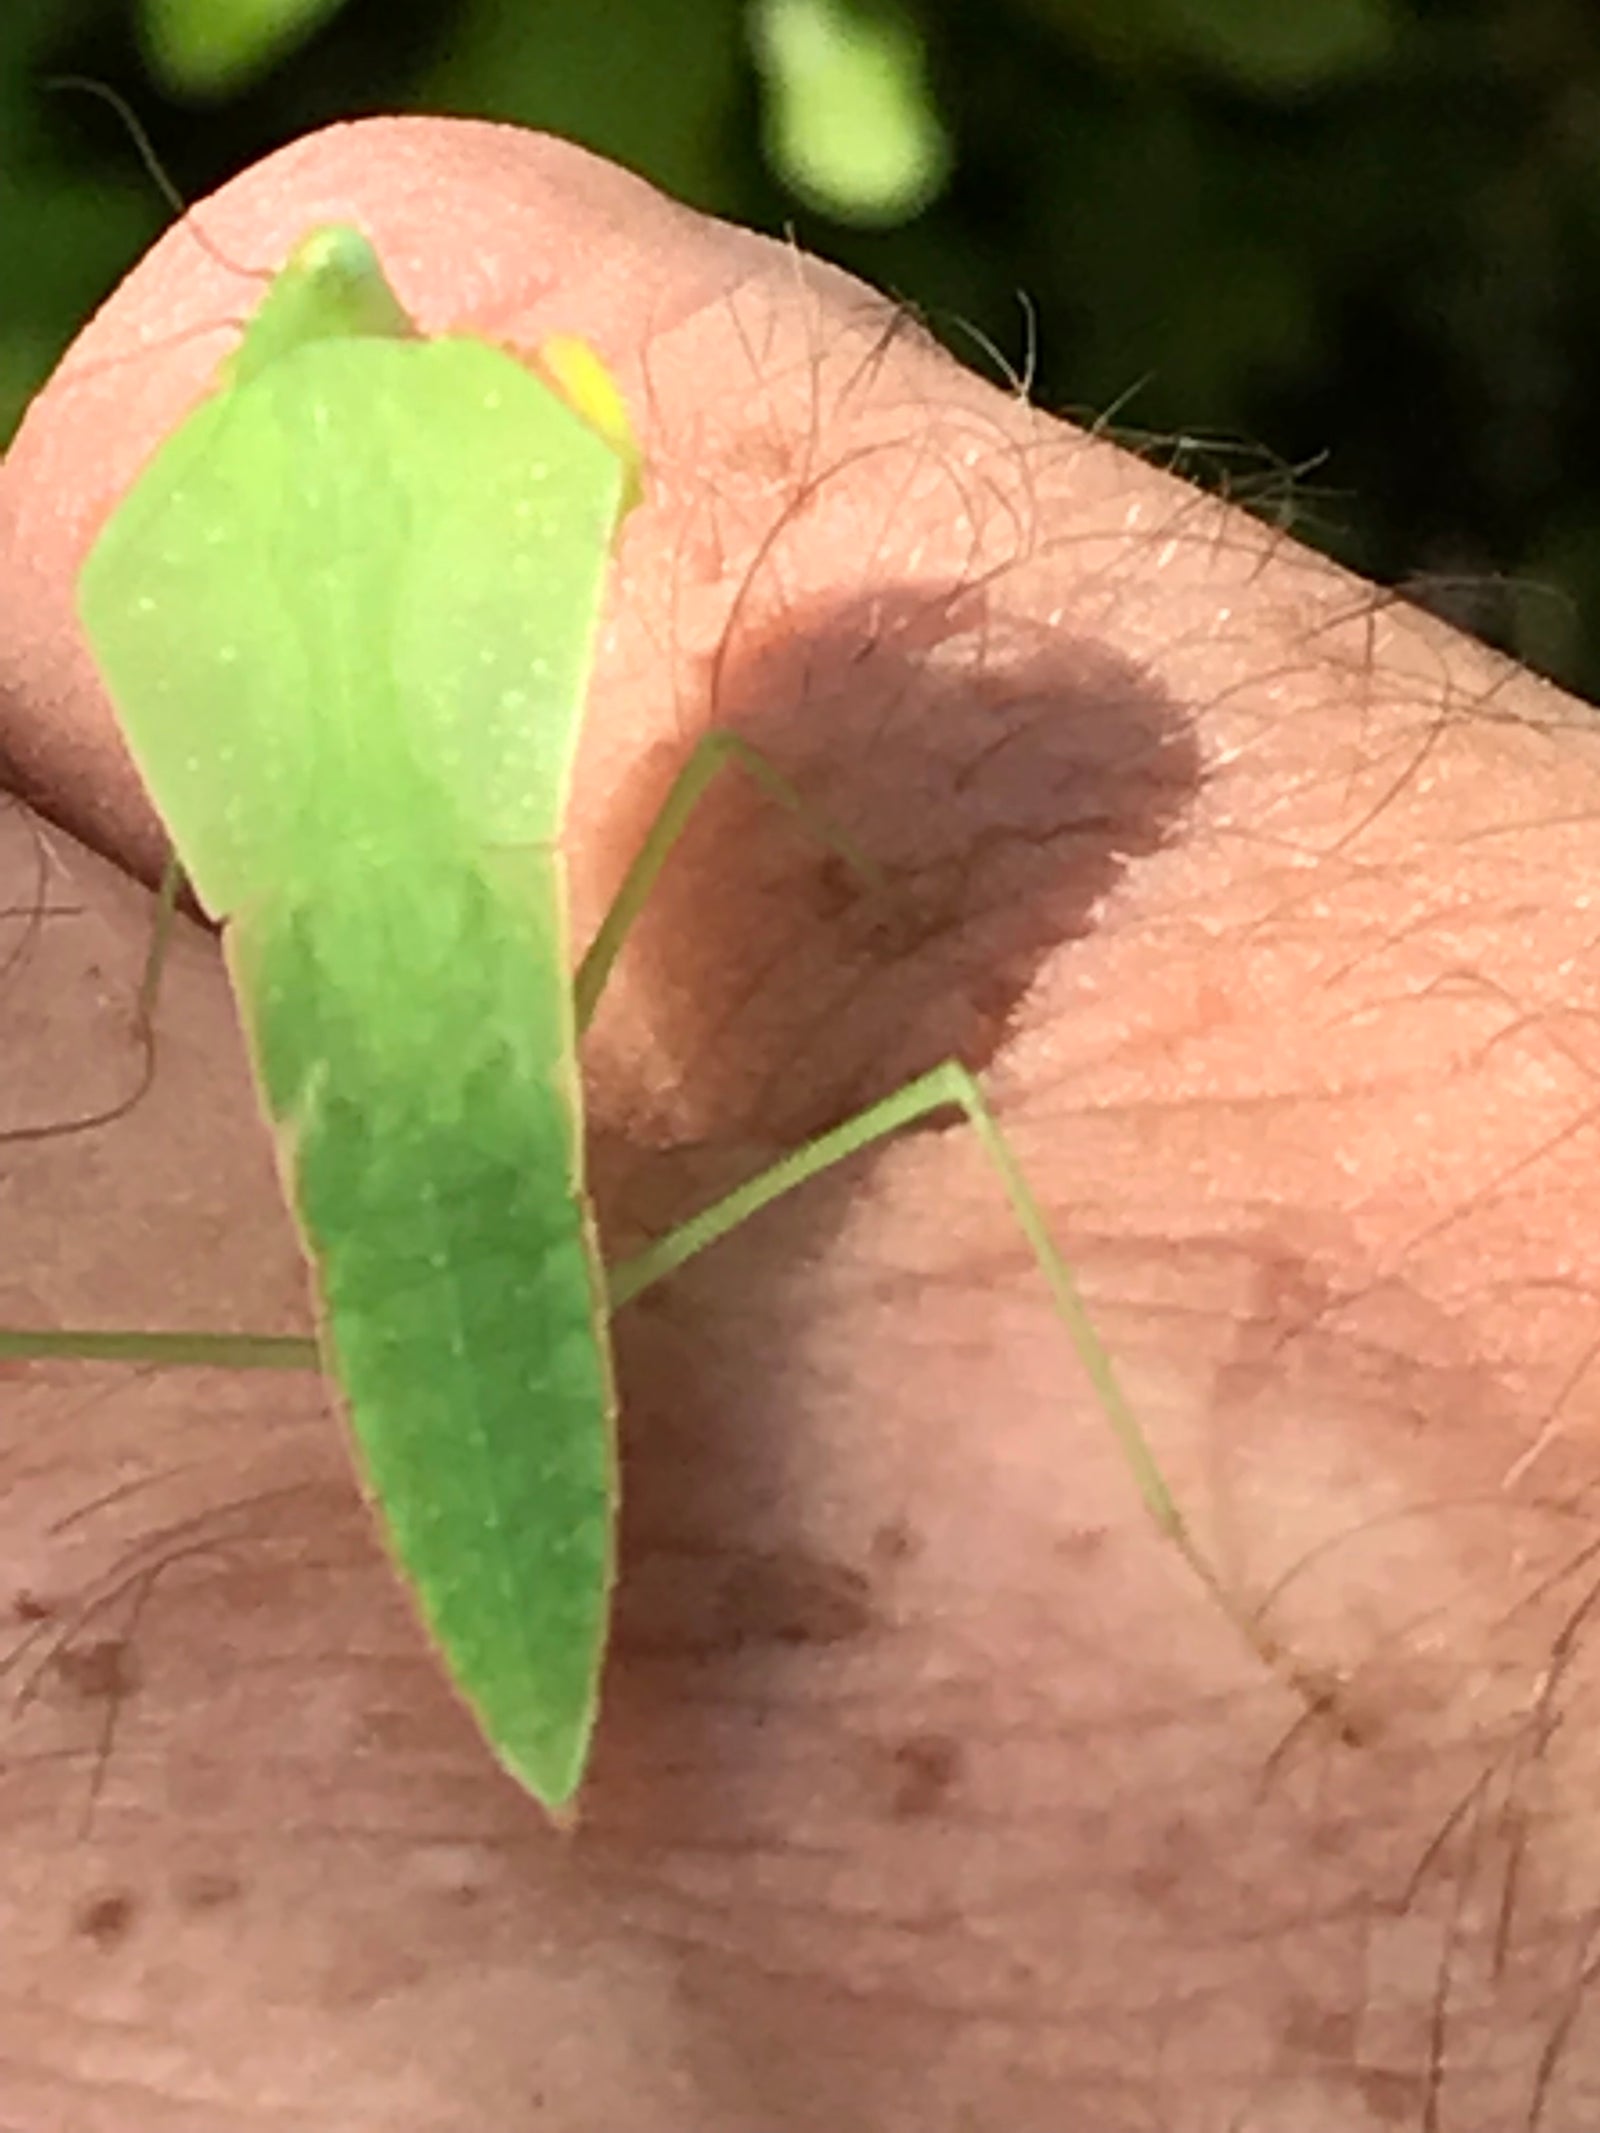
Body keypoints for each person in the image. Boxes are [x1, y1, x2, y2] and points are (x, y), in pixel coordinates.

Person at [2, 115, 1595, 2133]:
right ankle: (1199, 1559)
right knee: (908, 1100)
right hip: (519, 1452)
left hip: (401, 1300)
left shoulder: (196, 621)